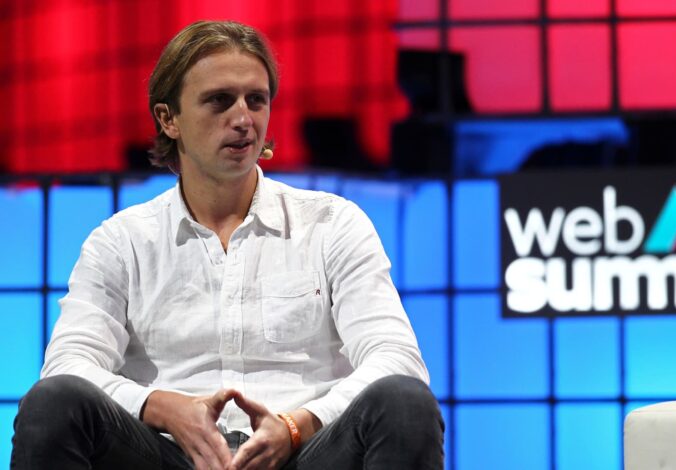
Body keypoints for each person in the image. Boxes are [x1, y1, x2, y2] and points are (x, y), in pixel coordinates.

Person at [11, 20, 443, 470]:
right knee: (54, 402)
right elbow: (67, 365)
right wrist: (161, 407)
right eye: (220, 100)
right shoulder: (121, 242)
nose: (243, 119)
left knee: (404, 401)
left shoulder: (332, 224)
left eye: (256, 100)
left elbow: (398, 359)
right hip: (167, 455)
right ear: (169, 119)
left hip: (304, 453)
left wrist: (296, 425)